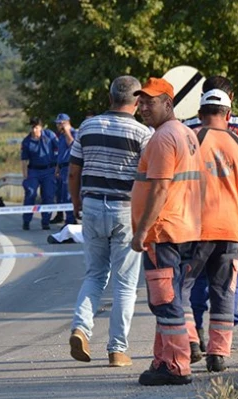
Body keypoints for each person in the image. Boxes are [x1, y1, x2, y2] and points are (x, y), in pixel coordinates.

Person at [68, 76, 153, 367]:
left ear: (110, 98)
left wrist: (77, 202)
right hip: (124, 210)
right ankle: (117, 350)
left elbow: (73, 172)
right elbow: (148, 178)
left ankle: (81, 327)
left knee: (94, 275)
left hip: (91, 205)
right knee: (126, 285)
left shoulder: (86, 127)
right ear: (138, 100)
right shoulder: (143, 133)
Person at [183, 76, 238, 351]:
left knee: (187, 285)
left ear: (199, 110)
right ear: (229, 110)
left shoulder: (186, 133)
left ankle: (192, 337)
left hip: (192, 226)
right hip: (232, 224)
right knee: (226, 287)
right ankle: (219, 351)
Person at [130, 77, 203, 386]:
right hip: (186, 228)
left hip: (164, 232)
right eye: (141, 101)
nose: (144, 107)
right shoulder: (187, 134)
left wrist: (141, 231)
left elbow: (160, 188)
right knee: (171, 298)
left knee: (164, 300)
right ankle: (164, 358)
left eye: (152, 101)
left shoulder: (162, 138)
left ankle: (175, 365)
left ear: (169, 104)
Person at [21, 117, 58, 230]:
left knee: (48, 196)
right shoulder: (26, 141)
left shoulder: (50, 136)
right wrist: (25, 175)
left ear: (41, 127)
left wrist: (57, 169)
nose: (34, 130)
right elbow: (24, 160)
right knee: (30, 193)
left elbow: (58, 150)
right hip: (34, 171)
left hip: (49, 170)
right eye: (32, 127)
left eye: (36, 127)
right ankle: (26, 220)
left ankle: (45, 221)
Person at [54, 113, 77, 226]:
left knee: (68, 195)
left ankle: (70, 220)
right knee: (63, 196)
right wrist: (57, 168)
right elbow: (60, 153)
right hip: (62, 167)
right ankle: (68, 219)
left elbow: (73, 145)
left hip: (70, 166)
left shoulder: (73, 133)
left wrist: (67, 131)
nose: (58, 127)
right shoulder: (61, 136)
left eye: (60, 124)